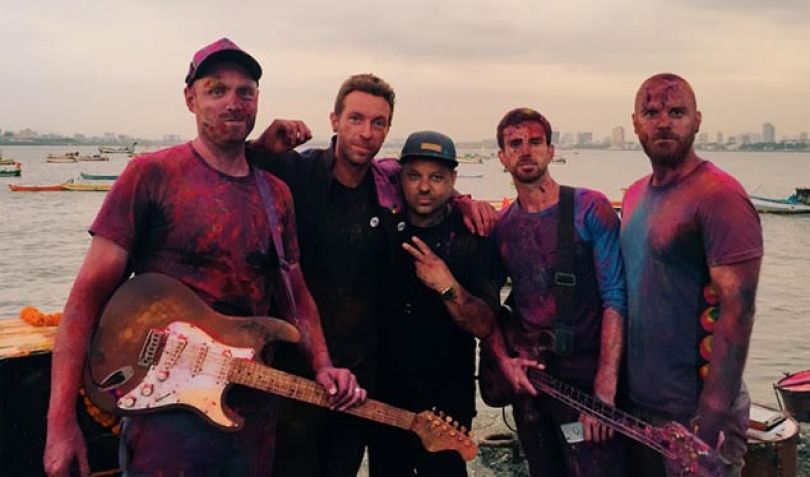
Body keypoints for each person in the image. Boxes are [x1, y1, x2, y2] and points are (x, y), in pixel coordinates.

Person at [42, 38, 364, 477]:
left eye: (245, 91)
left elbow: (296, 295)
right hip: (165, 421)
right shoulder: (151, 175)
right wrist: (60, 424)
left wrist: (323, 365)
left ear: (257, 101)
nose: (233, 102)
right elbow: (85, 300)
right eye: (217, 90)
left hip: (249, 415)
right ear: (190, 99)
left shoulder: (275, 195)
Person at [247, 75, 498, 477]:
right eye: (356, 119)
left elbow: (427, 179)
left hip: (363, 380)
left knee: (343, 467)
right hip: (296, 368)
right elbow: (233, 171)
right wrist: (261, 148)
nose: (366, 132)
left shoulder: (385, 185)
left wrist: (463, 202)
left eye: (378, 123)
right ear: (334, 120)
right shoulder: (298, 171)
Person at [621, 73, 763, 476]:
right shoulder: (634, 195)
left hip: (695, 414)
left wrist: (709, 423)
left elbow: (739, 314)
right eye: (651, 113)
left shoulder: (719, 196)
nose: (663, 123)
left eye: (677, 112)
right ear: (635, 123)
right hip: (641, 405)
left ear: (697, 120)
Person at [483, 107, 627, 477]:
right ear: (502, 157)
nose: (526, 151)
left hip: (588, 381)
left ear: (550, 150)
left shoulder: (589, 208)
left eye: (535, 142)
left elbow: (615, 297)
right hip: (533, 385)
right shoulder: (503, 227)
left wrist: (605, 392)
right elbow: (487, 308)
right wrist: (504, 360)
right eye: (515, 144)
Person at [368, 131, 505, 477]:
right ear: (400, 178)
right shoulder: (383, 230)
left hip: (448, 398)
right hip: (385, 397)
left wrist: (446, 285)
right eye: (414, 176)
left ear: (453, 180)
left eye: (437, 177)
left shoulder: (473, 236)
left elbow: (485, 325)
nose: (424, 187)